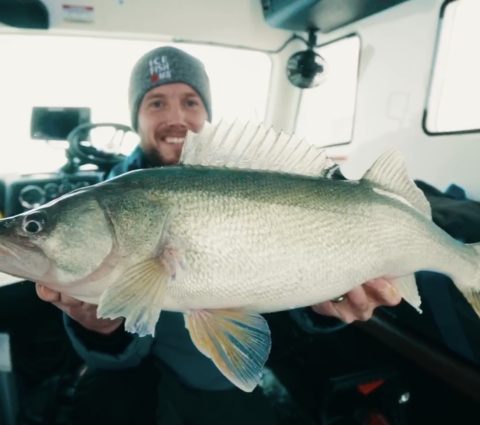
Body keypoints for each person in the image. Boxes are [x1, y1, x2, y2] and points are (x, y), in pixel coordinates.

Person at [35, 46, 401, 424]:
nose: (175, 117)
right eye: (156, 103)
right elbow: (116, 358)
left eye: (191, 102)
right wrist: (101, 330)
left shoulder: (262, 182)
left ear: (207, 114)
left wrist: (328, 304)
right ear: (137, 118)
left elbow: (296, 298)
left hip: (233, 377)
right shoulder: (97, 206)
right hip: (147, 376)